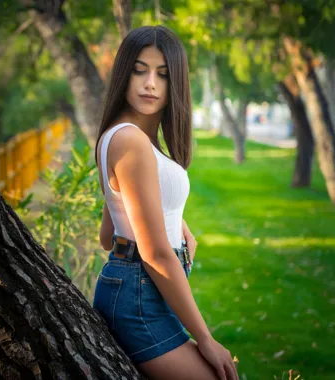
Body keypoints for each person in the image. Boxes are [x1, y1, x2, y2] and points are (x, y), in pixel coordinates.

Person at [92, 26, 239, 380]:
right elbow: (155, 253)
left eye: (163, 74)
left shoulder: (132, 137)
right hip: (139, 295)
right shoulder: (130, 141)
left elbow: (108, 232)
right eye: (139, 70)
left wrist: (174, 220)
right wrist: (205, 338)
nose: (150, 84)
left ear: (176, 83)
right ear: (123, 74)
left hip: (142, 290)